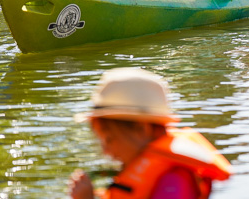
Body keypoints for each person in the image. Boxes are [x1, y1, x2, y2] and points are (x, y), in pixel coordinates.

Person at [69, 67, 232, 199]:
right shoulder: (153, 172)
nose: (105, 151)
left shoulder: (174, 183)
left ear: (142, 129)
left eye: (109, 139)